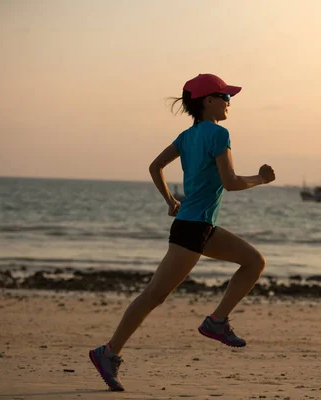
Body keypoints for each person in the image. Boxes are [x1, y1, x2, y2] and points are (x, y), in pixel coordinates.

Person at [88, 73, 276, 391]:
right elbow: (230, 183)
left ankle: (216, 321)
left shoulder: (186, 137)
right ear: (208, 101)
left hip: (199, 226)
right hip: (193, 229)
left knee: (254, 261)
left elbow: (154, 166)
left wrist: (170, 200)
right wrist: (259, 179)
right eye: (225, 97)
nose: (229, 102)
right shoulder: (218, 133)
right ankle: (108, 352)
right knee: (154, 295)